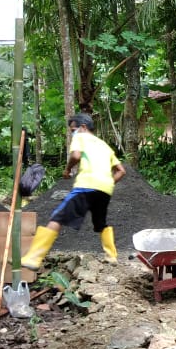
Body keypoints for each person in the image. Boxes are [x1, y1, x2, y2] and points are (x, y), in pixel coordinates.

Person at [22, 114, 126, 270]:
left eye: (73, 129)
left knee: (57, 217)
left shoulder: (81, 138)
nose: (72, 133)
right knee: (100, 223)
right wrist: (109, 182)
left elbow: (76, 155)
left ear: (83, 127)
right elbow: (121, 171)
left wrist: (68, 168)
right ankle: (111, 256)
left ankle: (34, 257)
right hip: (105, 190)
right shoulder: (105, 146)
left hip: (86, 186)